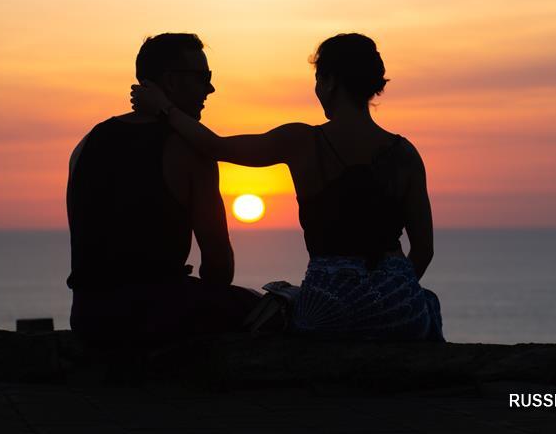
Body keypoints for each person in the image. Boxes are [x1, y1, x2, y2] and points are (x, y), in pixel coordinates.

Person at [131, 33, 444, 341]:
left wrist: (165, 109)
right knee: (428, 303)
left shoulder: (301, 141)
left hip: (325, 310)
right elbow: (423, 250)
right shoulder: (405, 154)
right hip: (398, 307)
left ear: (331, 81)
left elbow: (215, 147)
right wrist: (386, 294)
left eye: (319, 80)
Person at [67, 33, 259, 346]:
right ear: (170, 82)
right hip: (158, 316)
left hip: (90, 317)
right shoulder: (191, 152)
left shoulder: (86, 144)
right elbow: (218, 265)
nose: (210, 88)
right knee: (270, 308)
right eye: (203, 77)